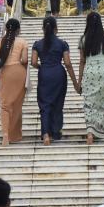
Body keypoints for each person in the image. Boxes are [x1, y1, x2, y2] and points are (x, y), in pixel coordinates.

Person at [31, 15, 78, 145]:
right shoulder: (62, 44)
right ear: (56, 29)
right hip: (58, 73)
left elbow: (33, 62)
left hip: (44, 73)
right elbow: (67, 63)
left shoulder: (37, 44)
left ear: (43, 29)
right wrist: (75, 82)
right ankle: (56, 132)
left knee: (44, 104)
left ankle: (45, 134)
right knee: (58, 103)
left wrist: (41, 67)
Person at [0, 17, 30, 146]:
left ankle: (5, 135)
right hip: (19, 73)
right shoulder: (23, 42)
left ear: (6, 29)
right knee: (17, 105)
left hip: (5, 73)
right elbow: (24, 60)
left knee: (5, 105)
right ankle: (15, 135)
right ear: (18, 30)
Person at [77, 11, 104, 144]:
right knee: (100, 103)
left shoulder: (83, 39)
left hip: (89, 71)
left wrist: (79, 81)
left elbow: (82, 61)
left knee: (89, 103)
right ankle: (99, 131)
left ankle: (90, 132)